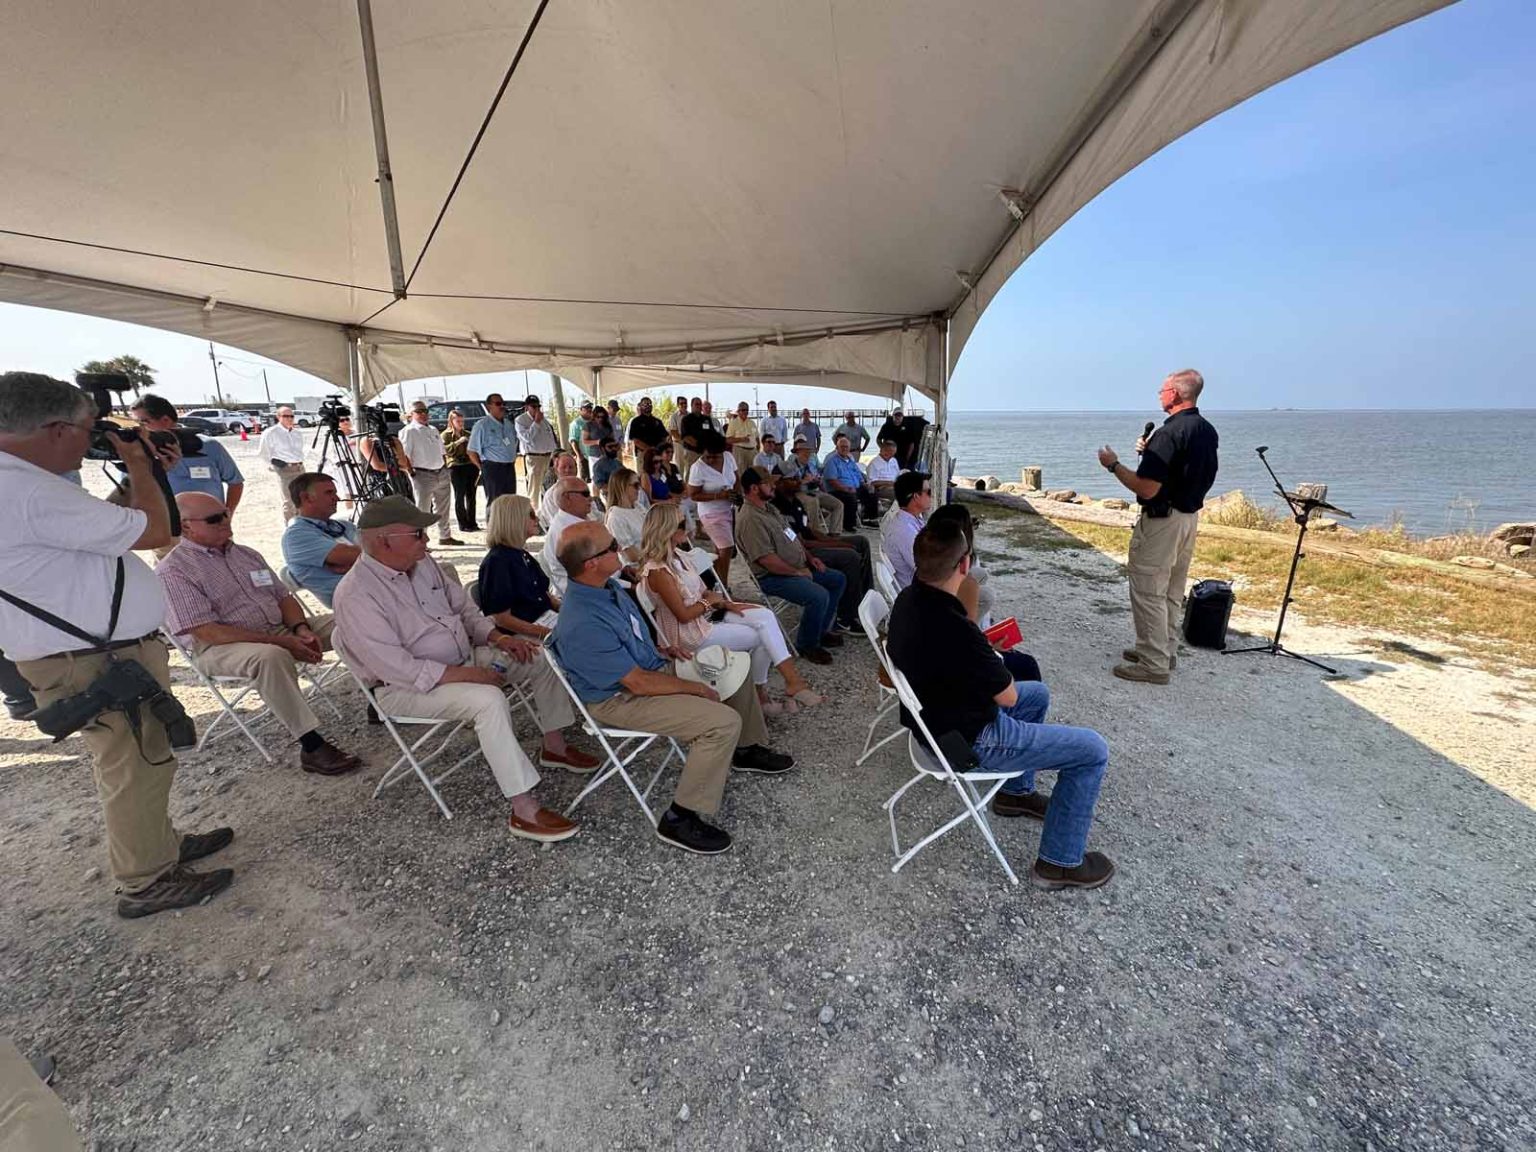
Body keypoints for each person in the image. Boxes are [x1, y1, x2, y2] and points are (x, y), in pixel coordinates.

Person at [0, 371, 233, 918]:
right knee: (136, 765)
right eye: (87, 430)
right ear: (56, 429)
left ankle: (159, 846)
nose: (92, 441)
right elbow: (155, 532)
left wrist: (142, 478)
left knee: (140, 760)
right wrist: (140, 467)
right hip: (92, 657)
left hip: (86, 652)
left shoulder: (23, 484)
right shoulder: (26, 490)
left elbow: (109, 525)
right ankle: (146, 879)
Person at [332, 497, 597, 841]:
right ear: (384, 541)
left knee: (537, 656)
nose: (426, 541)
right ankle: (524, 809)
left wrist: (499, 639)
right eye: (418, 534)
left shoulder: (422, 562)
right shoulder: (355, 595)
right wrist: (473, 674)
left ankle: (555, 745)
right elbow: (400, 669)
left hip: (462, 659)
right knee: (486, 699)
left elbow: (466, 610)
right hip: (403, 689)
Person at [886, 519, 1114, 890]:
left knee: (1037, 693)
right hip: (971, 740)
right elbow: (1006, 695)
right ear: (964, 564)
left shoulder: (909, 600)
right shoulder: (954, 625)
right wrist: (992, 657)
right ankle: (1058, 863)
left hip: (934, 722)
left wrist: (984, 659)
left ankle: (1015, 794)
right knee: (1092, 749)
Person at [551, 521, 794, 855]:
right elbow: (635, 682)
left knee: (734, 665)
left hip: (644, 672)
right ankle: (680, 817)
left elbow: (633, 641)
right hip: (619, 699)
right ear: (591, 563)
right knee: (721, 722)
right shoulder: (582, 620)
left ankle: (746, 748)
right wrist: (693, 689)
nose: (619, 550)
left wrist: (663, 651)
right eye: (610, 547)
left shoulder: (608, 589)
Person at [157, 492, 362, 774]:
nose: (225, 521)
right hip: (220, 646)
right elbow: (207, 631)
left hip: (276, 628)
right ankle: (312, 746)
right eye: (214, 518)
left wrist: (300, 629)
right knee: (270, 656)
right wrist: (281, 640)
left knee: (355, 620)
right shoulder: (174, 571)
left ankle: (384, 691)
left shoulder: (246, 554)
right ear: (186, 526)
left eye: (225, 513)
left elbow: (283, 597)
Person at [639, 503, 822, 715]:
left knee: (765, 616)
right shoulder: (658, 571)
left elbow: (704, 592)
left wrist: (727, 603)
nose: (688, 526)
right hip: (688, 635)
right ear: (666, 528)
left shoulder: (678, 556)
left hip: (704, 618)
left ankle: (780, 688)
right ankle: (772, 691)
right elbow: (683, 615)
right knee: (763, 634)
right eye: (682, 523)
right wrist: (711, 602)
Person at [1097, 369, 1219, 684]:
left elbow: (1146, 489)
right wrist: (1148, 454)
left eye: (1163, 389)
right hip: (1188, 519)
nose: (1160, 394)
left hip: (1163, 521)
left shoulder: (1169, 433)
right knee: (1171, 590)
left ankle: (1153, 663)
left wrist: (1113, 465)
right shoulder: (1204, 429)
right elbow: (1187, 472)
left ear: (1176, 394)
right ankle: (1164, 649)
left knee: (1149, 588)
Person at [735, 467, 848, 665]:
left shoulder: (769, 508)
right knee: (818, 595)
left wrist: (810, 557)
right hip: (773, 577)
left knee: (837, 579)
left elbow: (793, 537)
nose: (773, 486)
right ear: (754, 488)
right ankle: (807, 644)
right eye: (768, 483)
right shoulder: (750, 519)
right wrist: (797, 572)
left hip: (795, 568)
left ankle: (820, 631)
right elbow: (767, 560)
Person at [926, 502, 1042, 683]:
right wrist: (991, 648)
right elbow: (963, 647)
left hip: (960, 653)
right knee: (1029, 668)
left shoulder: (927, 581)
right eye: (972, 525)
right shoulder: (956, 589)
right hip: (965, 671)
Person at [768, 479, 871, 638]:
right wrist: (838, 546)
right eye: (789, 479)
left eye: (795, 478)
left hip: (812, 544)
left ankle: (864, 602)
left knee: (862, 542)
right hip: (805, 552)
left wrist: (836, 541)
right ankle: (846, 617)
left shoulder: (796, 502)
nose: (796, 481)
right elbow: (802, 543)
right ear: (779, 483)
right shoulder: (778, 509)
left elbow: (810, 530)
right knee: (850, 557)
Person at [130, 393, 244, 515]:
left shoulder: (208, 446)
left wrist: (227, 515)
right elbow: (129, 494)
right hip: (164, 530)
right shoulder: (137, 453)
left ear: (165, 420)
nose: (138, 429)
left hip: (211, 528)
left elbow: (235, 482)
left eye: (143, 422)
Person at [478, 495, 559, 641]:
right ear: (514, 518)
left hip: (546, 621)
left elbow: (544, 594)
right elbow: (502, 619)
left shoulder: (521, 554)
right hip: (523, 634)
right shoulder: (497, 562)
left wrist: (569, 611)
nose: (537, 520)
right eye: (531, 515)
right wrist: (547, 633)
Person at [280, 472, 362, 608]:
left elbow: (379, 549)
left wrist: (356, 561)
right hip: (355, 603)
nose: (337, 498)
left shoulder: (342, 525)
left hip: (377, 589)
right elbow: (376, 552)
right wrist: (364, 555)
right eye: (329, 493)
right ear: (306, 498)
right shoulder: (296, 535)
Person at [401, 401, 461, 546]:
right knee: (422, 510)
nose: (424, 414)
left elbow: (442, 452)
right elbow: (404, 455)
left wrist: (444, 467)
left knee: (443, 508)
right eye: (419, 411)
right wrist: (412, 472)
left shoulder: (433, 429)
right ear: (411, 414)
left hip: (440, 472)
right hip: (422, 474)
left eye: (426, 411)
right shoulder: (409, 431)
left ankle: (445, 536)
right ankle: (421, 540)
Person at [685, 432, 738, 586]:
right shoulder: (698, 468)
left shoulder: (729, 457)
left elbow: (737, 478)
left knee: (720, 551)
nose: (710, 460)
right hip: (711, 513)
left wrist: (736, 494)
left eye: (715, 456)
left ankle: (716, 583)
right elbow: (693, 495)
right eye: (707, 456)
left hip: (729, 509)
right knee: (727, 548)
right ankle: (724, 585)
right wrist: (719, 495)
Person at [542, 478, 597, 598]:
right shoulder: (566, 532)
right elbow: (590, 575)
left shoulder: (578, 520)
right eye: (585, 494)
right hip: (584, 595)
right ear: (567, 498)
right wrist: (628, 585)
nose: (591, 498)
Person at [781, 437, 843, 535]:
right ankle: (815, 532)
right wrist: (803, 481)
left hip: (813, 490)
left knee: (838, 504)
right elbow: (789, 485)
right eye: (805, 453)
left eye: (809, 453)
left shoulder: (809, 465)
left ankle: (834, 533)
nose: (808, 455)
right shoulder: (791, 466)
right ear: (798, 453)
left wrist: (817, 480)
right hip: (798, 492)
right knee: (812, 502)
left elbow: (817, 478)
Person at [258, 405, 308, 521]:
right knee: (289, 501)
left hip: (300, 468)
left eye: (291, 416)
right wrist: (274, 466)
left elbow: (300, 451)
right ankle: (291, 528)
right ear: (278, 417)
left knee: (303, 499)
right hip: (285, 470)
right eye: (286, 416)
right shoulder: (271, 433)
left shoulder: (297, 433)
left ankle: (303, 526)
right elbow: (263, 453)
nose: (290, 418)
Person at [883, 470, 932, 589]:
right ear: (916, 496)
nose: (932, 496)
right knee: (984, 593)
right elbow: (927, 570)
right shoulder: (904, 531)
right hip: (921, 590)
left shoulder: (911, 519)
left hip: (924, 583)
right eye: (928, 492)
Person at [821, 433, 880, 529]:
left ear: (849, 448)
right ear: (837, 447)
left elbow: (858, 474)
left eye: (846, 447)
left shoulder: (850, 461)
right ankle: (849, 524)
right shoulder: (832, 461)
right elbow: (832, 481)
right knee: (850, 498)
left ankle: (868, 519)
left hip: (854, 487)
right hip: (838, 490)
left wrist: (864, 484)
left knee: (871, 492)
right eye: (842, 446)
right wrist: (845, 488)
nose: (844, 449)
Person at [468, 392, 520, 501]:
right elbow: (471, 451)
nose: (502, 406)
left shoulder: (509, 425)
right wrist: (482, 468)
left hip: (509, 467)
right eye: (498, 403)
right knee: (495, 502)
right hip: (493, 468)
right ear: (489, 407)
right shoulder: (482, 425)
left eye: (503, 403)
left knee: (510, 501)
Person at [513, 393, 560, 497]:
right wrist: (536, 422)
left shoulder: (544, 420)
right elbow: (527, 438)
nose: (537, 409)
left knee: (549, 487)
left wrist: (555, 454)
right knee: (534, 489)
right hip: (534, 458)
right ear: (526, 407)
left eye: (538, 406)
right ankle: (532, 511)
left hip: (548, 457)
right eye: (534, 407)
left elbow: (550, 438)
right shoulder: (520, 420)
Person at [441, 409, 480, 532]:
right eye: (458, 421)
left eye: (462, 421)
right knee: (459, 495)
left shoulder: (468, 434)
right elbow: (445, 450)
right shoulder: (446, 435)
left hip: (469, 465)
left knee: (471, 495)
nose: (461, 424)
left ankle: (472, 522)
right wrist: (458, 442)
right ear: (451, 421)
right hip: (456, 466)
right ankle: (463, 524)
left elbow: (475, 449)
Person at [604, 467, 650, 561]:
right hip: (639, 567)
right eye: (636, 485)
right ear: (622, 487)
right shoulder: (616, 517)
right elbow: (632, 556)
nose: (639, 489)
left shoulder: (638, 506)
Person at [537, 452, 580, 530]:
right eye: (563, 467)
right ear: (556, 470)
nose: (567, 470)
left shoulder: (581, 488)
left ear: (576, 470)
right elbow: (556, 523)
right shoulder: (551, 495)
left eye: (571, 467)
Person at [678, 396, 716, 479]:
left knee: (705, 474)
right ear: (691, 406)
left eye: (700, 404)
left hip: (705, 453)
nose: (698, 406)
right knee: (691, 474)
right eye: (696, 404)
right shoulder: (686, 419)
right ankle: (688, 491)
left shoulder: (706, 419)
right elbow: (685, 437)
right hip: (691, 452)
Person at [725, 402, 758, 478]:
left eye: (747, 410)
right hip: (740, 451)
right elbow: (728, 440)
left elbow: (757, 437)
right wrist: (741, 439)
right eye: (743, 410)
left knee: (753, 474)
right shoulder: (733, 423)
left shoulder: (752, 423)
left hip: (753, 451)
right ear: (738, 411)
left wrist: (757, 448)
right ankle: (741, 490)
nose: (745, 412)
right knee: (741, 475)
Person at [866, 438, 902, 504]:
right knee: (899, 494)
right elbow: (871, 483)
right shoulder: (874, 463)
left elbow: (898, 475)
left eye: (893, 452)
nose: (891, 454)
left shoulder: (893, 461)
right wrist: (888, 483)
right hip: (882, 489)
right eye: (889, 452)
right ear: (882, 450)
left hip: (895, 486)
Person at [567, 401, 592, 484]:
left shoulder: (594, 421)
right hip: (584, 457)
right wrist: (579, 456)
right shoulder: (575, 424)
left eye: (590, 408)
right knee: (585, 482)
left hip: (595, 456)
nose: (589, 409)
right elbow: (573, 441)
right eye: (586, 408)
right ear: (581, 410)